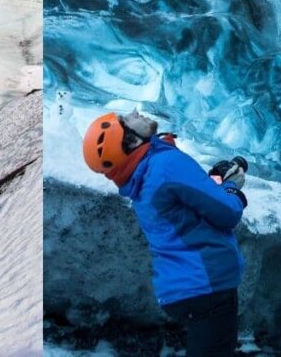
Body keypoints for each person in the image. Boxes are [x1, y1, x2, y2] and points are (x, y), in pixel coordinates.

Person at [82, 110, 248, 357]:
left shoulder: (145, 179)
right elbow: (227, 212)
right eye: (127, 121)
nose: (134, 114)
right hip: (207, 284)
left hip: (182, 289)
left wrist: (214, 181)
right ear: (130, 141)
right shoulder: (166, 165)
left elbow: (188, 203)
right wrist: (232, 187)